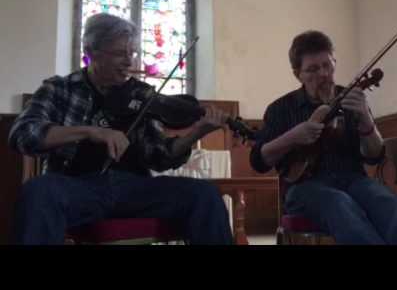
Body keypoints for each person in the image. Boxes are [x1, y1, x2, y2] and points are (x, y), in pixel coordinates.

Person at [9, 13, 233, 245]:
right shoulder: (60, 89)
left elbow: (159, 157)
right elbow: (23, 134)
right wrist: (91, 131)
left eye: (132, 53)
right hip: (78, 187)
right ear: (91, 51)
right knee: (39, 191)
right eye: (119, 53)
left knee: (204, 194)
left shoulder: (139, 96)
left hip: (135, 189)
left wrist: (197, 132)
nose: (129, 62)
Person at [250, 30, 397, 245]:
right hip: (304, 189)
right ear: (297, 73)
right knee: (338, 203)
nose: (323, 74)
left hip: (353, 179)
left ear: (334, 62)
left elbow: (375, 155)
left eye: (327, 65)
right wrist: (293, 136)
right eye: (312, 69)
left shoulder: (351, 99)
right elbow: (258, 161)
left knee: (387, 202)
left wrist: (365, 118)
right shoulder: (280, 109)